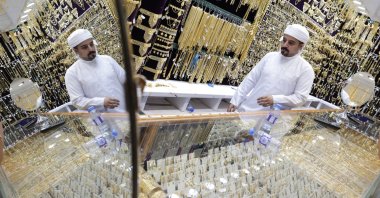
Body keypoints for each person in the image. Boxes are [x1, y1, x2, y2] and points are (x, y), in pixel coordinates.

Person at [228, 24, 315, 112]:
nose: (285, 45)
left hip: (271, 119)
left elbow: (300, 98)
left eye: (291, 43)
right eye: (284, 40)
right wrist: (236, 100)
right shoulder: (270, 57)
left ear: (301, 46)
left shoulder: (305, 69)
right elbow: (251, 79)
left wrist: (275, 99)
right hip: (247, 110)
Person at [65, 29, 127, 112]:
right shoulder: (72, 73)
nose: (90, 49)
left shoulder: (108, 60)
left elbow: (126, 81)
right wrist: (101, 102)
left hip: (127, 112)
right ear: (76, 50)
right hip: (105, 120)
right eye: (84, 47)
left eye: (91, 44)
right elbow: (77, 101)